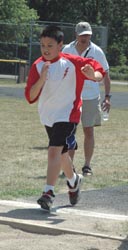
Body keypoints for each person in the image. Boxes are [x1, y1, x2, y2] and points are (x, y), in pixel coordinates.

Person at [25, 25, 105, 211]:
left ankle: (48, 192)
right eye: (43, 45)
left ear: (60, 45)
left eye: (50, 45)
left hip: (69, 115)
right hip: (48, 116)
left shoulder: (72, 62)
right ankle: (74, 181)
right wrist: (42, 78)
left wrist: (93, 76)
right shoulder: (38, 65)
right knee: (61, 155)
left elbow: (99, 72)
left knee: (54, 151)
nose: (46, 49)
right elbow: (30, 96)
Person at [62, 22, 111, 176]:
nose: (85, 37)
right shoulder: (67, 49)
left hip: (90, 96)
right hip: (71, 96)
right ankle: (69, 166)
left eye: (88, 34)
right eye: (82, 35)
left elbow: (106, 75)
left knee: (88, 131)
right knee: (69, 132)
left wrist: (107, 97)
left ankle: (87, 166)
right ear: (76, 34)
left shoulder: (97, 51)